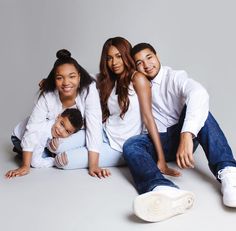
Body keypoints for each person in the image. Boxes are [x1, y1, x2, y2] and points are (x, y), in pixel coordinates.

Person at [123, 42, 236, 222]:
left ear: (157, 56)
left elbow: (199, 92)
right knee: (131, 145)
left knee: (200, 109)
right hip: (158, 140)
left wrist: (187, 134)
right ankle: (162, 189)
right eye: (139, 63)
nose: (146, 65)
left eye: (149, 57)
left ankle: (229, 173)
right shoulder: (134, 82)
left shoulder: (174, 77)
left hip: (184, 137)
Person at [5, 49, 110, 178]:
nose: (66, 83)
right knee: (39, 158)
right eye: (60, 78)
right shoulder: (48, 96)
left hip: (54, 135)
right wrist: (26, 166)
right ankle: (22, 149)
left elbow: (94, 126)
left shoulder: (89, 90)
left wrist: (94, 165)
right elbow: (33, 129)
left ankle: (44, 150)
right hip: (25, 136)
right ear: (54, 79)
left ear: (79, 76)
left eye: (72, 76)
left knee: (68, 147)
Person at [97, 37, 180, 177]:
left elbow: (148, 118)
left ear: (126, 56)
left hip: (120, 146)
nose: (114, 62)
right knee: (60, 146)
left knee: (65, 161)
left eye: (118, 56)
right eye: (109, 58)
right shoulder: (111, 80)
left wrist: (161, 160)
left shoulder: (138, 79)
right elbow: (87, 77)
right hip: (103, 132)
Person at [7, 108, 83, 175]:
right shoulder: (42, 132)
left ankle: (22, 151)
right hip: (18, 138)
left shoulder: (56, 124)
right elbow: (34, 163)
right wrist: (55, 162)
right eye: (62, 124)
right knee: (45, 156)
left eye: (67, 131)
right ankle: (20, 150)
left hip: (39, 137)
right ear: (58, 117)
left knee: (53, 147)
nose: (60, 131)